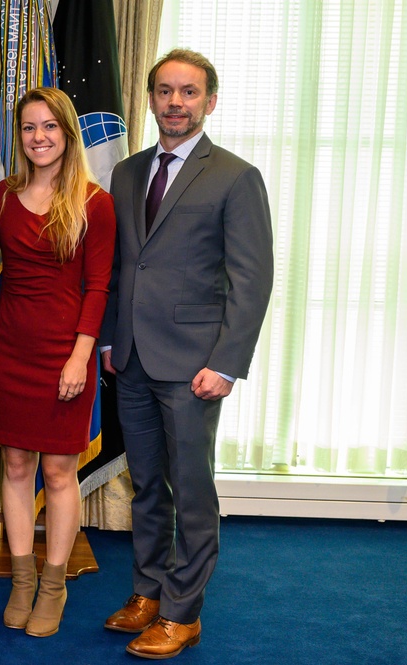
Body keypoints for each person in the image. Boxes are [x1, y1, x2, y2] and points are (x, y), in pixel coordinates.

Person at [99, 49, 274, 660]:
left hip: (195, 365)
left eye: (189, 92)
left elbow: (251, 280)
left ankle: (182, 612)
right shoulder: (126, 173)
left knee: (190, 490)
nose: (175, 102)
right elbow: (123, 265)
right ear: (149, 99)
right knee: (146, 486)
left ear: (209, 101)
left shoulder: (234, 175)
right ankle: (147, 593)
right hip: (133, 360)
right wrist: (110, 338)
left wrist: (226, 363)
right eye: (165, 91)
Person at [0, 87, 116, 637]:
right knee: (15, 466)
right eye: (28, 128)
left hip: (66, 353)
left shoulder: (93, 202)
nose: (38, 137)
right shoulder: (2, 195)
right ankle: (21, 580)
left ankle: (54, 585)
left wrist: (79, 357)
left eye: (49, 127)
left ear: (67, 133)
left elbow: (98, 286)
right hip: (9, 348)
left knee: (60, 472)